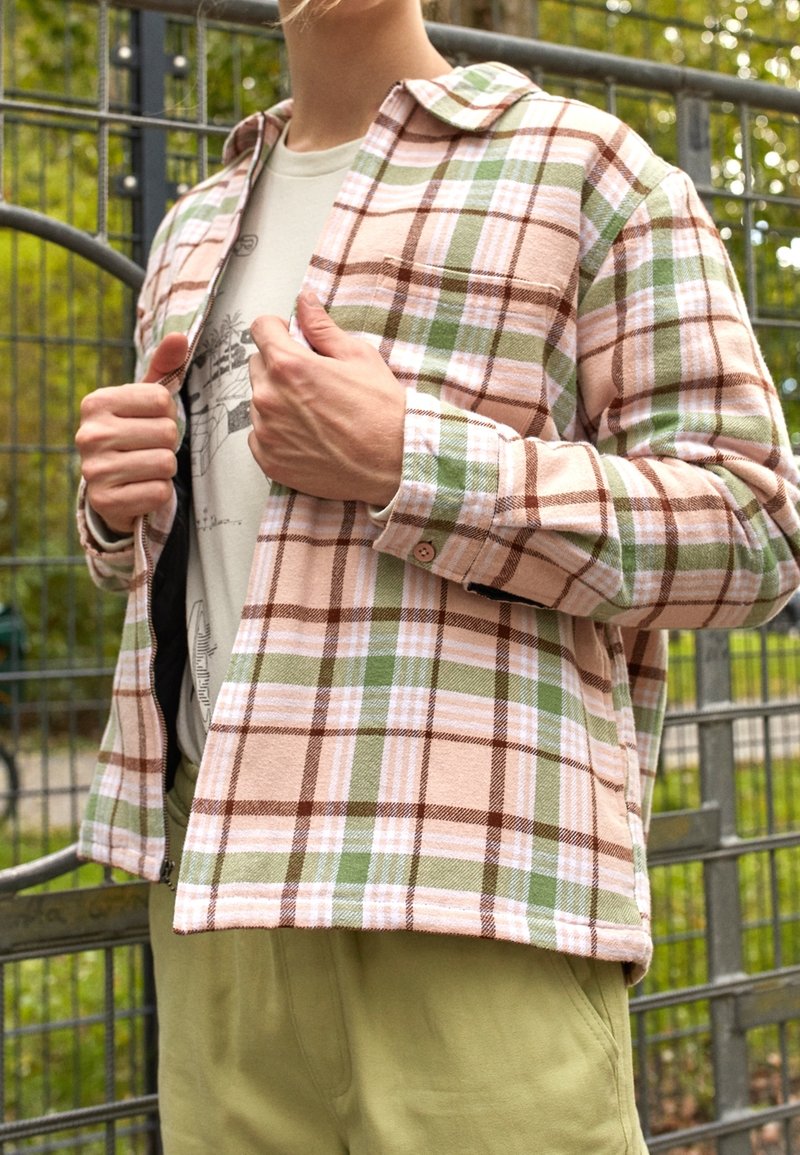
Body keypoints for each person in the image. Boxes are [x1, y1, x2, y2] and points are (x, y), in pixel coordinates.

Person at [74, 1, 800, 1151]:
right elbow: (206, 564)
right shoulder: (196, 225)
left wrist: (412, 457)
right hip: (211, 891)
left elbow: (755, 531)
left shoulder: (584, 170)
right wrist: (117, 510)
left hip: (468, 886)